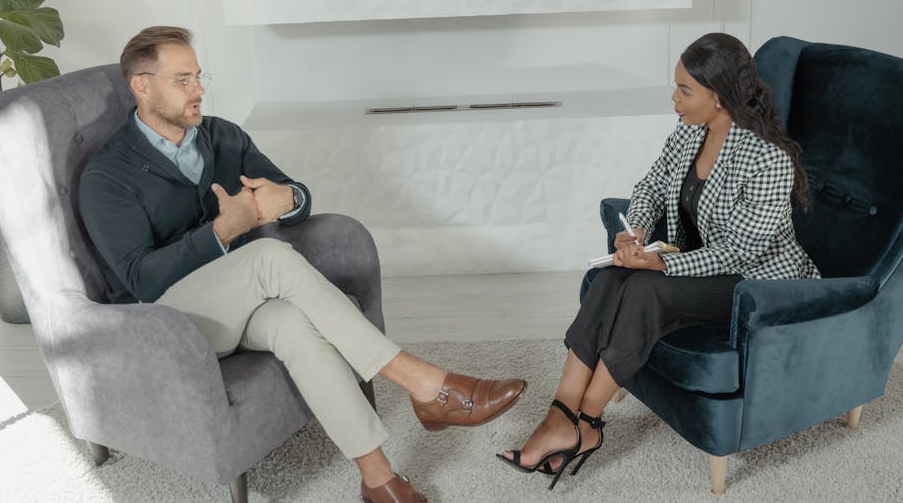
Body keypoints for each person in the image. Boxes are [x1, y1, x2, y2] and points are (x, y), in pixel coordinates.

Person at [79, 26, 526, 503]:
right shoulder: (108, 176)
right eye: (182, 80)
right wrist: (224, 230)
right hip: (167, 324)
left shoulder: (220, 136)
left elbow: (295, 193)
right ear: (142, 86)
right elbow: (142, 282)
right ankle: (425, 385)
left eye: (199, 76)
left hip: (237, 306)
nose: (199, 90)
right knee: (269, 256)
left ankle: (379, 481)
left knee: (292, 322)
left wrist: (287, 196)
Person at [497, 32, 820, 488]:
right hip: (710, 267)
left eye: (685, 90)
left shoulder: (769, 159)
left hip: (758, 284)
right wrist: (634, 234)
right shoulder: (690, 133)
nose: (674, 98)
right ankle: (562, 416)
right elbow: (649, 186)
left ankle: (582, 423)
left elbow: (742, 251)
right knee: (608, 277)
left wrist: (664, 265)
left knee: (647, 289)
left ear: (720, 96)